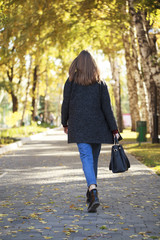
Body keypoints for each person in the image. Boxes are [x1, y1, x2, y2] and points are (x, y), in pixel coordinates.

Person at [61, 50, 121, 213]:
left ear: (78, 65)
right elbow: (107, 108)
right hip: (98, 127)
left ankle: (93, 191)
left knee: (87, 158)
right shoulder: (100, 83)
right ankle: (92, 191)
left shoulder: (71, 81)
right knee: (92, 159)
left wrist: (64, 122)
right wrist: (114, 129)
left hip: (79, 126)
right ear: (93, 65)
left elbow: (65, 103)